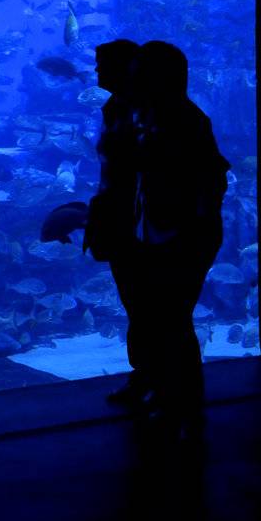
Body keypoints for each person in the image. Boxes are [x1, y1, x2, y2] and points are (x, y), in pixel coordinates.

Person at [126, 41, 230, 443]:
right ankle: (171, 398)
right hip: (162, 236)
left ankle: (184, 408)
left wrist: (187, 229)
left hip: (183, 239)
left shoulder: (185, 120)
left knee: (174, 323)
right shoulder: (152, 116)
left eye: (140, 71)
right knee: (163, 322)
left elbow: (213, 177)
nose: (132, 79)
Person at [82, 41, 148, 407]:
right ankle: (144, 377)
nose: (97, 72)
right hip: (119, 219)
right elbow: (112, 171)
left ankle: (171, 392)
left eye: (103, 65)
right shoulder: (113, 107)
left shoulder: (147, 110)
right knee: (135, 306)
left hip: (144, 226)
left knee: (154, 309)